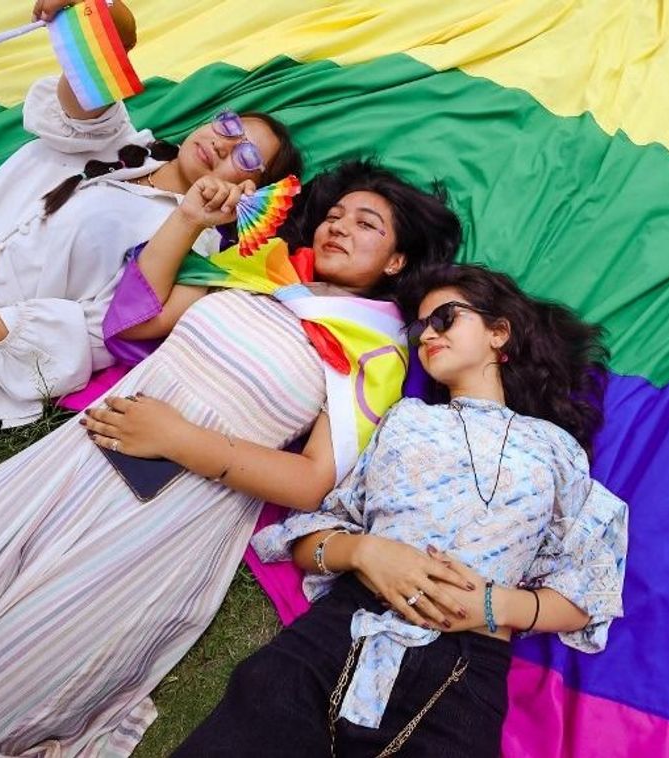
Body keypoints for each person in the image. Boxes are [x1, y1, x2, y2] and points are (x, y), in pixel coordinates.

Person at [0, 162, 460, 756]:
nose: (339, 226)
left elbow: (312, 479)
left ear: (398, 260)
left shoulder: (375, 352)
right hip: (78, 458)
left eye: (366, 224)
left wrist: (179, 439)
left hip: (174, 503)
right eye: (336, 214)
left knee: (16, 658)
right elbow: (133, 320)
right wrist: (186, 218)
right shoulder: (260, 275)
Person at [0, 0, 303, 598]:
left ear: (251, 190)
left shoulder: (197, 257)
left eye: (246, 158)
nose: (224, 147)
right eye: (229, 128)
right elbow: (95, 77)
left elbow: (98, 337)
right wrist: (99, 11)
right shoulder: (117, 139)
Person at [175, 264, 629, 757]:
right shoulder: (404, 419)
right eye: (419, 327)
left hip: (463, 677)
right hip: (338, 633)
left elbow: (590, 584)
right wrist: (365, 551)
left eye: (446, 318)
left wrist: (496, 606)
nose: (428, 334)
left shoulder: (556, 448)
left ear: (500, 333)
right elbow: (313, 535)